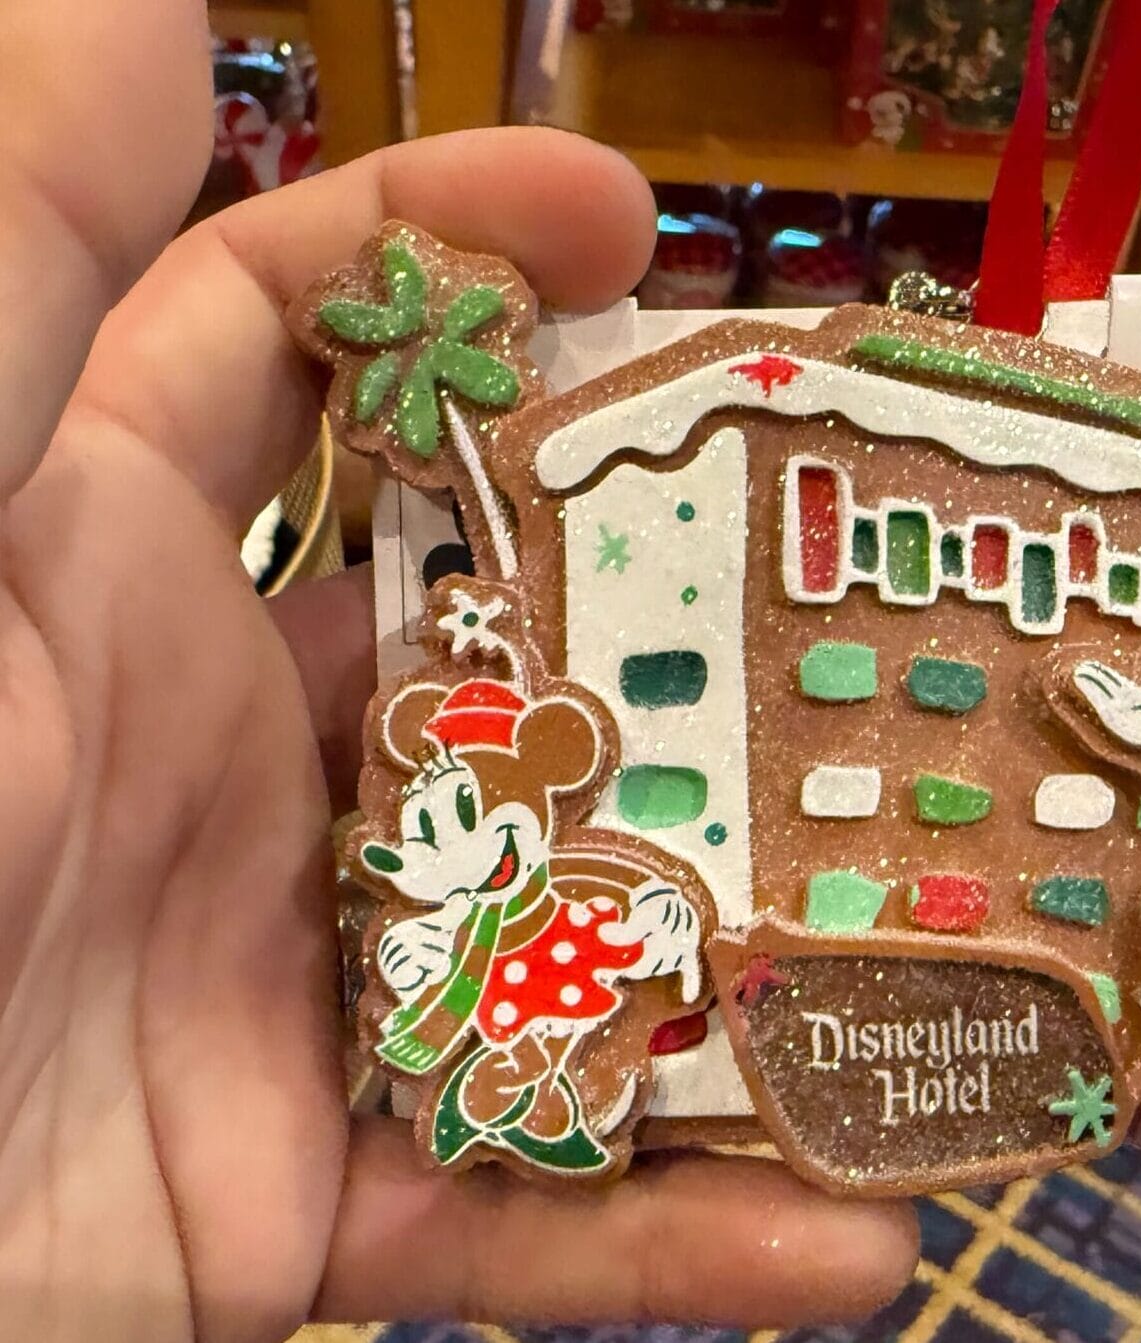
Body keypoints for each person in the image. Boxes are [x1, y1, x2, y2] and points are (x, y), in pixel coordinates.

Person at [0, 4, 918, 1339]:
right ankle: (533, 1095)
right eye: (434, 818)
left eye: (454, 815)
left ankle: (542, 1092)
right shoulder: (447, 906)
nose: (438, 835)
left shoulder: (544, 888)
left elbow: (617, 925)